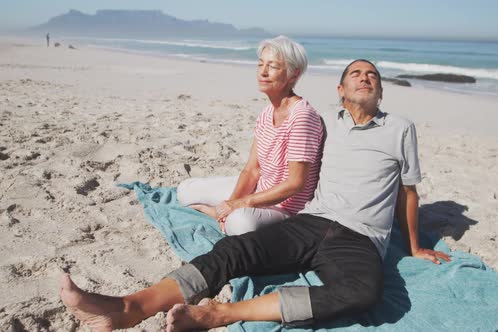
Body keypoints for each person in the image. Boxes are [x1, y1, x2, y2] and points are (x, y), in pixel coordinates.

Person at [59, 59, 451, 331]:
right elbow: (281, 115)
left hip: (361, 238)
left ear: (380, 90)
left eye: (372, 75)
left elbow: (408, 191)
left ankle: (223, 314)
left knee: (363, 293)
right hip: (311, 222)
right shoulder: (321, 120)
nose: (365, 78)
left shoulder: (401, 128)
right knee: (235, 250)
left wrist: (414, 246)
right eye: (356, 74)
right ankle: (128, 308)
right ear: (341, 89)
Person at [176, 36, 324, 236]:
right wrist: (229, 206)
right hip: (258, 192)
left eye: (272, 66)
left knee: (240, 224)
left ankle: (218, 214)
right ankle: (218, 214)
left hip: (284, 209)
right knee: (185, 191)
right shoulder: (266, 113)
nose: (263, 72)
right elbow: (252, 170)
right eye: (260, 64)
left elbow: (295, 184)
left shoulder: (302, 116)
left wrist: (238, 205)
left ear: (293, 74)